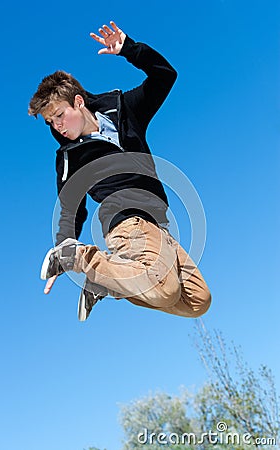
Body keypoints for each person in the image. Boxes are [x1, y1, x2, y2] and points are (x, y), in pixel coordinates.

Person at [29, 21, 211, 321]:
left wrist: (130, 49)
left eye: (59, 115)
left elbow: (165, 76)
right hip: (126, 225)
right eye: (51, 122)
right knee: (164, 291)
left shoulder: (126, 110)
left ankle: (105, 282)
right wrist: (64, 246)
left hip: (159, 224)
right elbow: (69, 206)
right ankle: (85, 261)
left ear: (78, 101)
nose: (57, 126)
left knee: (197, 301)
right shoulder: (69, 156)